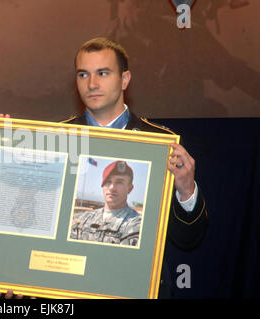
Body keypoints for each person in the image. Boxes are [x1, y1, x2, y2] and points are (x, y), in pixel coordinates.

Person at [63, 37, 208, 297]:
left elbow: (188, 239)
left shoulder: (161, 145)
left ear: (125, 79)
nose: (92, 84)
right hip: (68, 293)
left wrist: (186, 191)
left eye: (103, 73)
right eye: (83, 74)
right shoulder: (54, 139)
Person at [70, 160, 141, 246]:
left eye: (119, 182)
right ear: (102, 186)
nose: (112, 187)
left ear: (130, 188)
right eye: (108, 181)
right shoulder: (82, 219)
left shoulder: (136, 224)